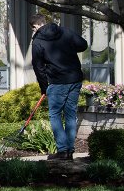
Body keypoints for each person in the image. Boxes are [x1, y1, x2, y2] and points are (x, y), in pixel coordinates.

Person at [30, 13, 89, 160]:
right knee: (70, 114)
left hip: (57, 82)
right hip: (75, 79)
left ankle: (62, 150)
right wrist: (68, 48)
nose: (34, 31)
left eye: (33, 28)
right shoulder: (65, 31)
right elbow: (83, 45)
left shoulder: (37, 41)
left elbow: (38, 67)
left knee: (55, 114)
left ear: (36, 25)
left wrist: (44, 87)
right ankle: (69, 151)